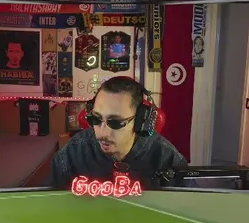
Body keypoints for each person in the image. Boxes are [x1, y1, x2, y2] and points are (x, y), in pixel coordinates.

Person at [50, 76, 187, 190]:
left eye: (115, 122)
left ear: (140, 121)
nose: (102, 133)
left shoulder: (166, 158)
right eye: (96, 119)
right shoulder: (72, 153)